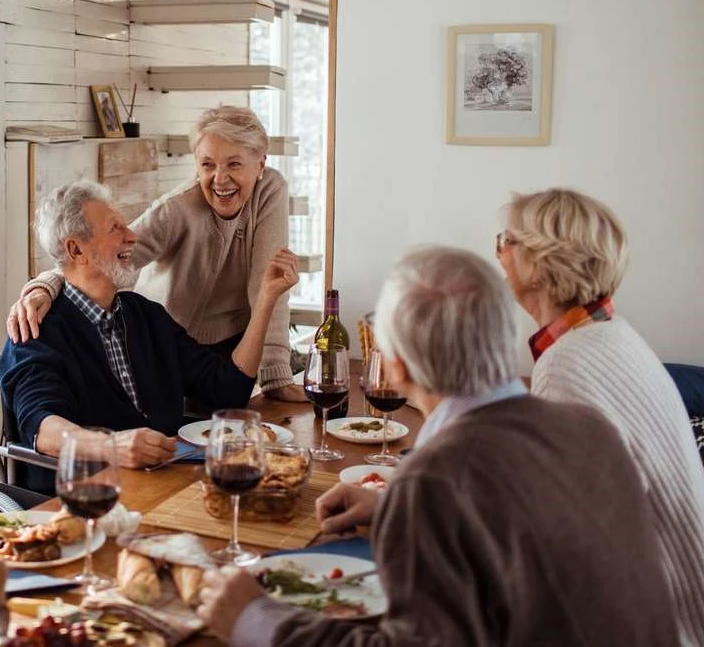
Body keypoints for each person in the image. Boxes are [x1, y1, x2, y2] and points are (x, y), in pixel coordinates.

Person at [196, 246, 676, 647]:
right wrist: (392, 510)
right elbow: (516, 543)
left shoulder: (435, 480)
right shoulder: (589, 427)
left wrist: (255, 618)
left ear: (396, 367)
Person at [496, 187, 704, 646]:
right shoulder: (608, 334)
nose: (500, 254)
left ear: (539, 263)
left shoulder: (570, 359)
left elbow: (559, 538)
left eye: (506, 241)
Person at [0, 181, 298, 494]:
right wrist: (112, 446)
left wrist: (266, 299)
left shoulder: (144, 315)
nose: (132, 235)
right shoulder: (35, 329)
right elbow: (43, 427)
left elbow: (228, 389)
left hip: (165, 488)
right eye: (115, 227)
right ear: (76, 250)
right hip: (85, 500)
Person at [7, 106, 304, 401]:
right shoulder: (177, 208)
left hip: (233, 349)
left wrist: (276, 373)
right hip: (174, 345)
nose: (219, 178)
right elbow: (99, 256)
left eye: (234, 164)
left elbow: (267, 284)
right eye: (207, 165)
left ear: (261, 164)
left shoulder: (270, 191)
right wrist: (45, 285)